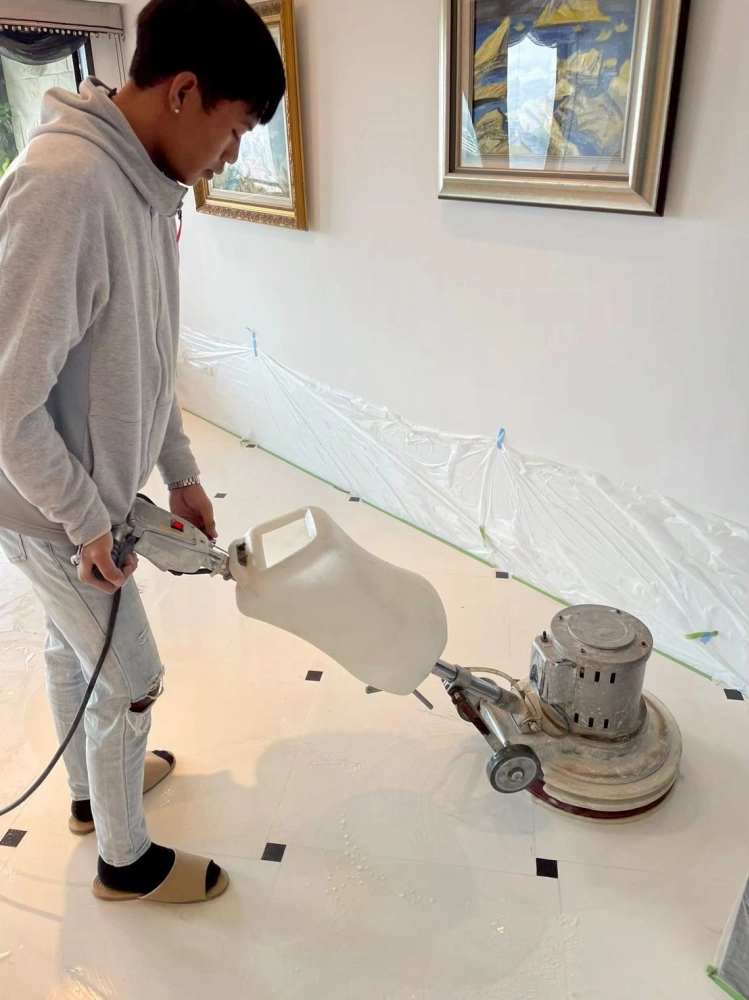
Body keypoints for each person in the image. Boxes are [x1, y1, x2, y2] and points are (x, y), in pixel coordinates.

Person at [0, 0, 285, 904]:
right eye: (233, 130)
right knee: (132, 679)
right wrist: (86, 520)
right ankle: (124, 863)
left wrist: (181, 469)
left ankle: (92, 797)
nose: (230, 156)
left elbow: (144, 354)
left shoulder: (144, 188)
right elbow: (5, 405)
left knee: (72, 647)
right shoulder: (69, 188)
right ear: (184, 92)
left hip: (86, 493)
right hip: (43, 504)